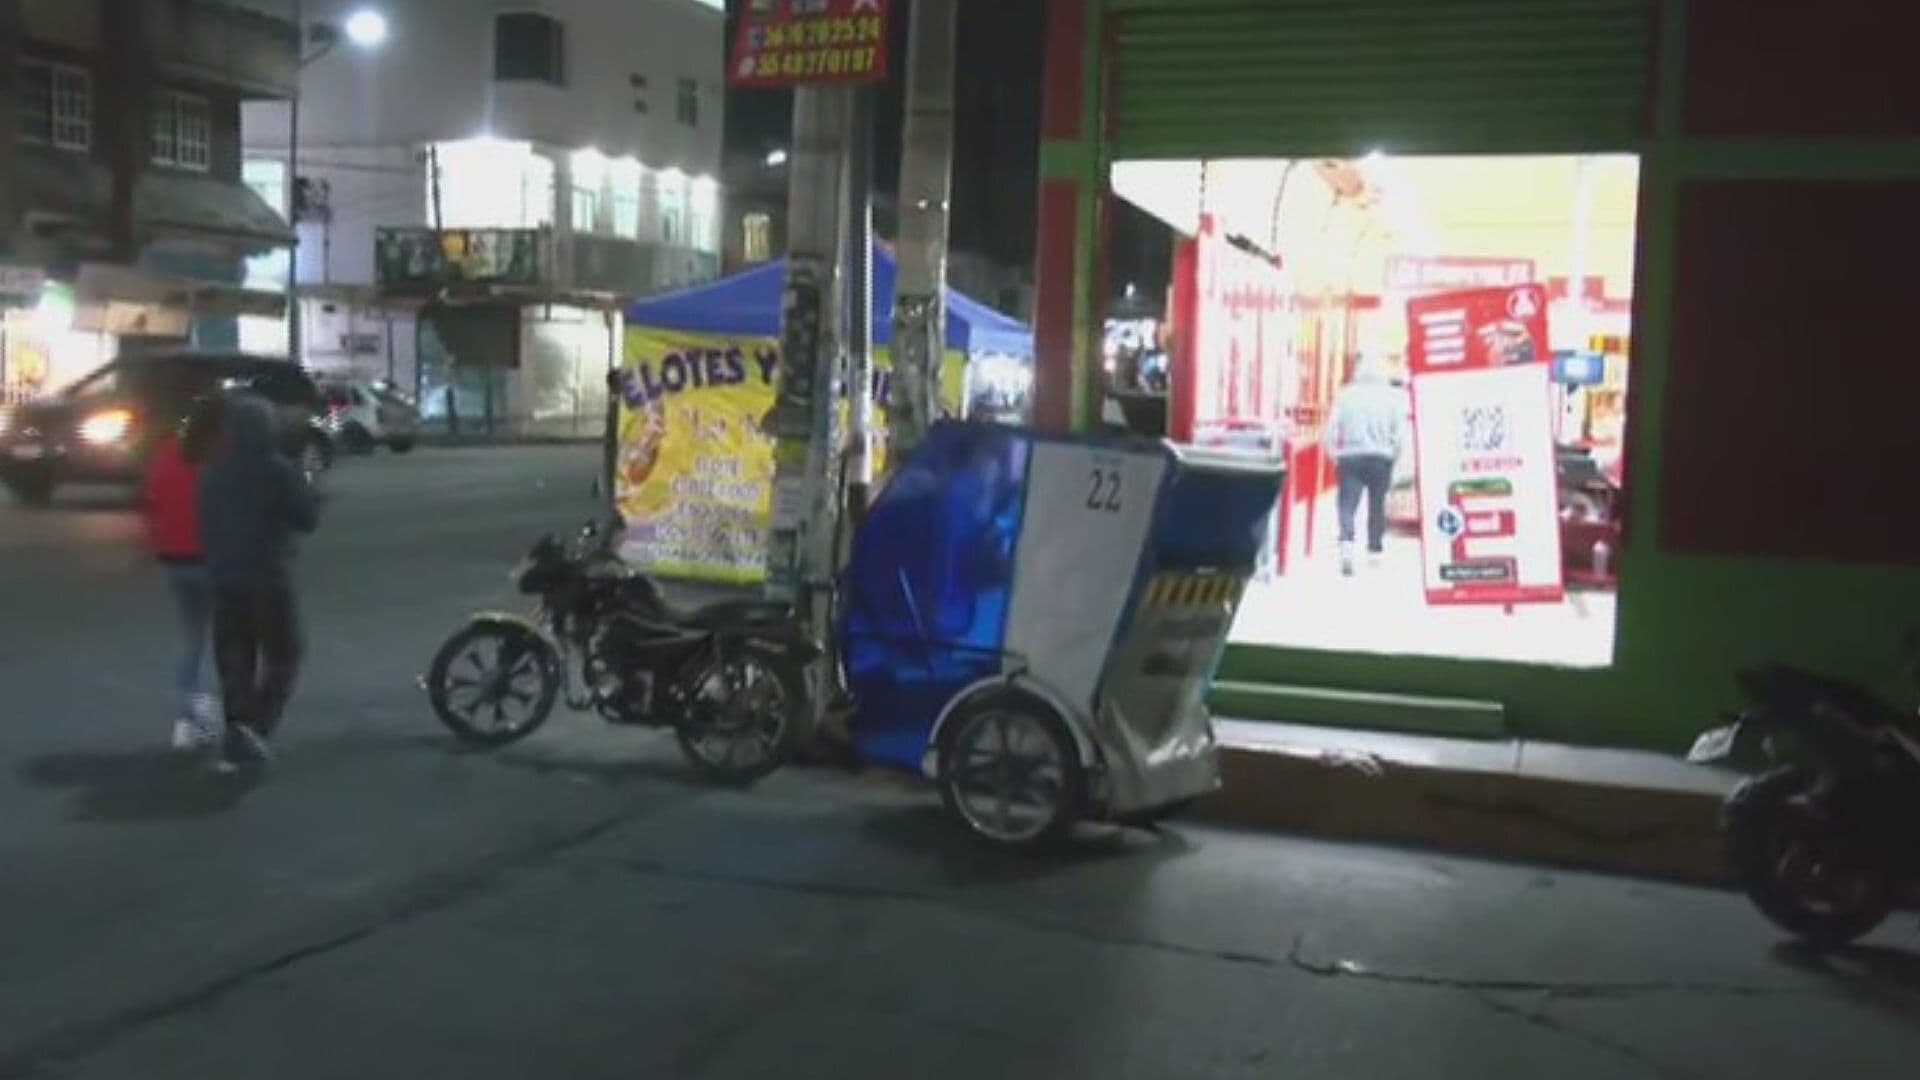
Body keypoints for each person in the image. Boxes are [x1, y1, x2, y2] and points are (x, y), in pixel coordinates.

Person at [198, 392, 320, 772]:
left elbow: (206, 524)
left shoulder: (214, 473)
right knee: (284, 655)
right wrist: (308, 476)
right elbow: (306, 518)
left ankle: (238, 727)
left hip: (223, 578)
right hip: (267, 576)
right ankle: (256, 729)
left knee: (235, 660)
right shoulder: (277, 469)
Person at [141, 397, 222, 752]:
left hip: (175, 560)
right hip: (213, 559)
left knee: (192, 639)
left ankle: (188, 718)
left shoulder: (168, 453)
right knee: (228, 641)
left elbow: (152, 503)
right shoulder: (221, 455)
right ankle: (221, 718)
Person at [1325, 357, 1410, 576]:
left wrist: (1335, 454)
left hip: (1351, 457)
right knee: (1377, 504)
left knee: (1346, 505)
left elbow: (1331, 430)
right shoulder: (1393, 397)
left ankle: (1346, 546)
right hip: (1381, 457)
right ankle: (1374, 550)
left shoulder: (1345, 394)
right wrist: (1395, 457)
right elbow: (1400, 435)